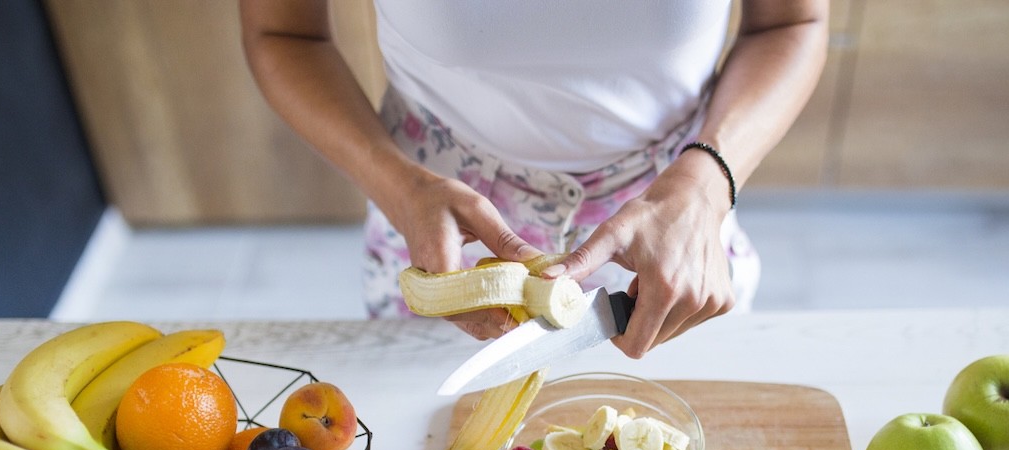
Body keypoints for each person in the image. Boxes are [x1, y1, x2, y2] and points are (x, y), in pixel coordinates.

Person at [239, 1, 828, 358]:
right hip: (435, 214)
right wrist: (398, 185)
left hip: (671, 218)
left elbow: (791, 21)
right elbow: (284, 33)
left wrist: (706, 185)